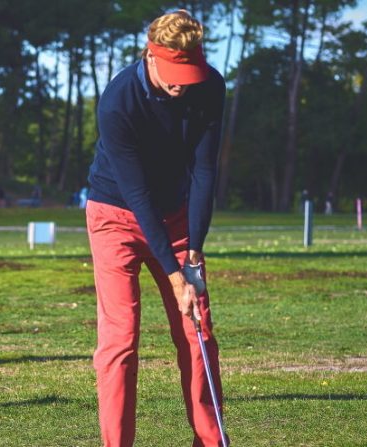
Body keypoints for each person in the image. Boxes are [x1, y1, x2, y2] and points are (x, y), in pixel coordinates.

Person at [85, 11, 227, 446]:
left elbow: (204, 171)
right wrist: (172, 273)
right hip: (115, 215)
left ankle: (211, 441)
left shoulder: (209, 86)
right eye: (173, 72)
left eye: (189, 71)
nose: (182, 83)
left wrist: (194, 256)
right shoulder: (118, 101)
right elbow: (137, 194)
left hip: (178, 214)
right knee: (121, 340)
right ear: (150, 55)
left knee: (197, 330)